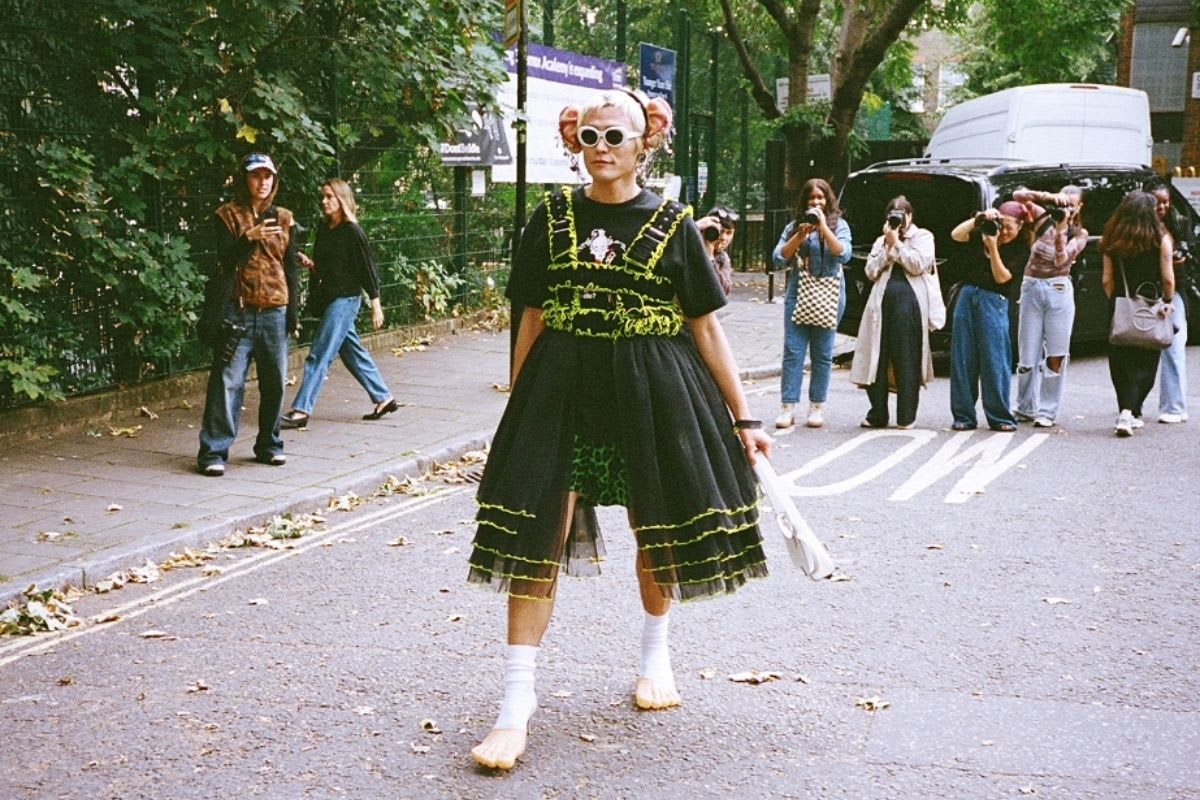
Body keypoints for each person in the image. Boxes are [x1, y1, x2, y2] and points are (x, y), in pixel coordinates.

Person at [465, 88, 771, 771]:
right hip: (561, 389)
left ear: (646, 141)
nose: (601, 149)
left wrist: (744, 416)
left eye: (615, 136)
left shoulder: (675, 222)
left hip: (655, 391)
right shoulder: (548, 219)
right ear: (576, 142)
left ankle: (654, 656)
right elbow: (531, 317)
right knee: (536, 533)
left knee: (654, 523)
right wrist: (519, 406)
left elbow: (707, 327)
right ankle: (516, 707)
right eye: (591, 137)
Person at [196, 153, 300, 476]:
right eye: (256, 176)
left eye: (268, 176)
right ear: (244, 179)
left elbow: (291, 268)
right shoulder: (227, 216)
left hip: (274, 310)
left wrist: (293, 313)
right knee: (227, 381)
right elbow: (223, 262)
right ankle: (214, 451)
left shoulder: (284, 218)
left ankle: (269, 445)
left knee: (275, 382)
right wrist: (247, 240)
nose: (263, 182)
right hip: (237, 312)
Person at [281, 179, 399, 429]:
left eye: (329, 197)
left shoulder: (352, 232)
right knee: (352, 352)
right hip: (330, 297)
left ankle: (301, 410)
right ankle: (383, 397)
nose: (324, 201)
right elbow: (331, 265)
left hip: (345, 299)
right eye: (323, 196)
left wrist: (376, 304)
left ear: (342, 200)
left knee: (319, 354)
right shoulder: (324, 228)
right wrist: (311, 263)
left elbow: (367, 269)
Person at [849, 196, 936, 429]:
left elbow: (918, 264)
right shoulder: (881, 240)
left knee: (907, 357)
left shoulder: (923, 237)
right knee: (875, 357)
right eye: (893, 213)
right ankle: (878, 412)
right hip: (880, 305)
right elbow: (870, 271)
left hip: (910, 305)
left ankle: (906, 415)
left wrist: (898, 244)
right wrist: (888, 246)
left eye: (903, 212)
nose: (898, 217)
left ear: (911, 216)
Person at [773, 178, 853, 429]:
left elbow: (843, 253)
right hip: (799, 295)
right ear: (805, 202)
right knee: (793, 352)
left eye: (821, 198)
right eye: (812, 199)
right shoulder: (793, 227)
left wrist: (823, 229)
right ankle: (788, 407)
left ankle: (816, 407)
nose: (817, 202)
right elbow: (778, 258)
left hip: (830, 297)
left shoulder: (839, 225)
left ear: (828, 200)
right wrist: (801, 234)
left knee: (822, 354)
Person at [947, 201, 1030, 432]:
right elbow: (956, 234)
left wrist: (993, 247)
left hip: (994, 300)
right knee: (963, 358)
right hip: (967, 296)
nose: (1003, 231)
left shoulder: (1020, 250)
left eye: (1009, 226)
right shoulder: (982, 232)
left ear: (1021, 226)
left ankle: (1000, 417)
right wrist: (980, 218)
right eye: (1000, 224)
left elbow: (1002, 278)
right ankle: (963, 416)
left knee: (995, 359)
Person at [1009, 186, 1088, 428]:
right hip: (1031, 286)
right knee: (1027, 356)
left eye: (1071, 205)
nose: (1066, 209)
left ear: (1080, 207)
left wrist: (1062, 230)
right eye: (1063, 204)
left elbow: (1060, 261)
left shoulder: (1080, 233)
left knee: (1055, 354)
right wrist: (1049, 197)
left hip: (1058, 289)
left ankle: (1047, 411)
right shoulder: (1044, 217)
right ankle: (1024, 407)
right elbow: (1018, 195)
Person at [1099, 190, 1175, 437]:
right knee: (1146, 362)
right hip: (1152, 307)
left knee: (1120, 360)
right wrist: (1168, 301)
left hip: (1120, 304)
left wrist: (1117, 302)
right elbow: (1167, 278)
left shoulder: (1112, 240)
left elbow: (1107, 280)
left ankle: (1125, 410)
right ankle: (1131, 411)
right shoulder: (1161, 239)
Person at [1145, 178, 1190, 424]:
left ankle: (1174, 406)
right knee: (1139, 347)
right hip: (1147, 292)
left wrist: (1181, 259)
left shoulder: (1178, 224)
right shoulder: (1138, 228)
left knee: (1173, 347)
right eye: (1156, 202)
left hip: (1173, 293)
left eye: (1166, 202)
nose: (1162, 207)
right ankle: (1132, 405)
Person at [695, 205, 739, 295]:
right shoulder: (690, 244)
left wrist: (710, 257)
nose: (723, 237)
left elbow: (723, 291)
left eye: (729, 233)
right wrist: (695, 227)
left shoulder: (723, 258)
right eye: (721, 231)